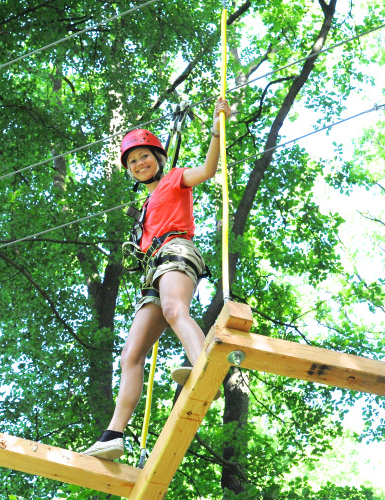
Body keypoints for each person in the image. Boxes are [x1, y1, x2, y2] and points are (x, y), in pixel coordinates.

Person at [83, 98, 232, 460]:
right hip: (153, 268)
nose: (139, 163)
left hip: (176, 250)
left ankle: (205, 366)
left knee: (174, 308)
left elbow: (208, 170)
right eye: (133, 161)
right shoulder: (143, 208)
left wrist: (217, 130)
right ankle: (113, 434)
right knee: (130, 355)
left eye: (144, 156)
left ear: (158, 158)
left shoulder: (175, 178)